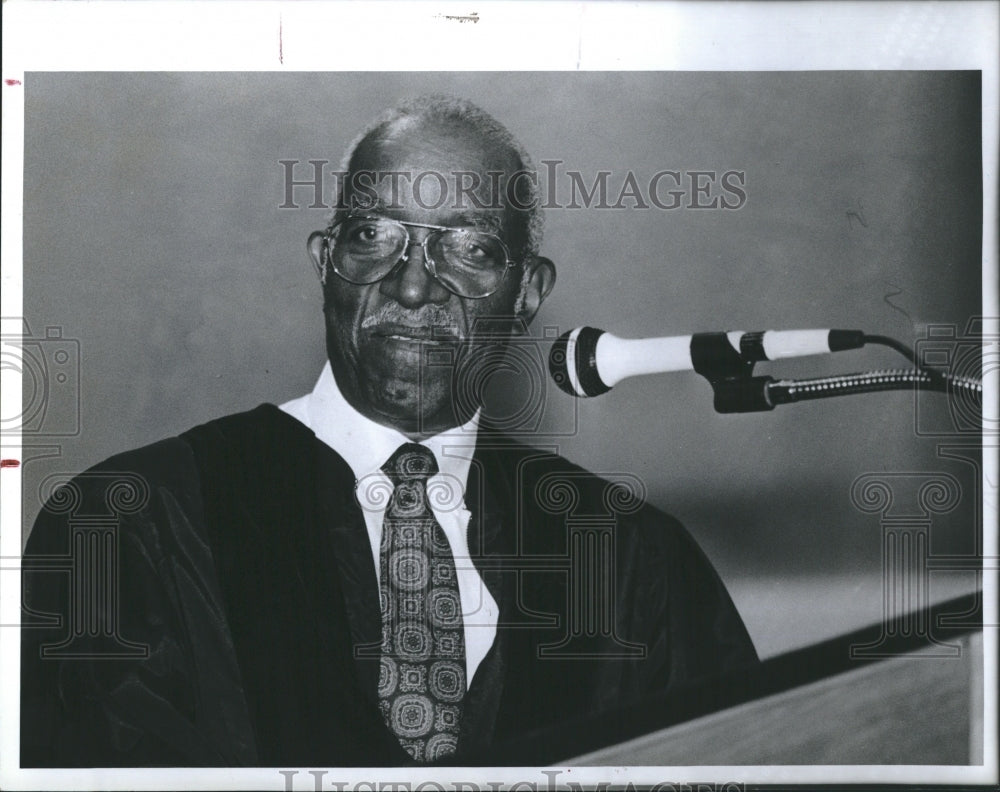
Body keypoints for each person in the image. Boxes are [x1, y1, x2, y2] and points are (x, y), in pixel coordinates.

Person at [20, 95, 758, 767]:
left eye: (470, 249)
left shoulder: (633, 561)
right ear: (324, 263)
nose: (412, 285)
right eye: (373, 235)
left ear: (527, 293)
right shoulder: (131, 521)